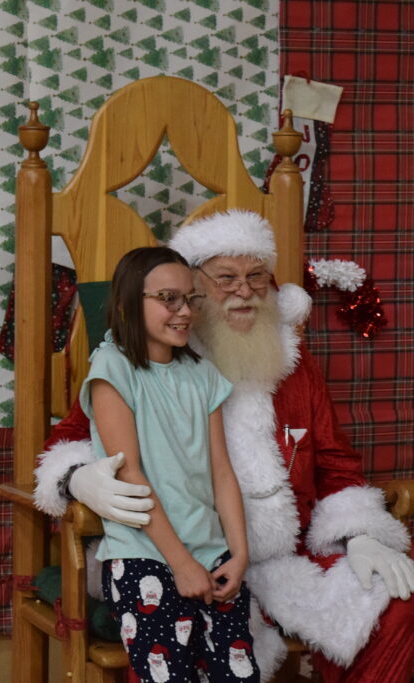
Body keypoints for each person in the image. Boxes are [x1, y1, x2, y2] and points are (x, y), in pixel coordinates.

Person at [34, 210, 414, 682]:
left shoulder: (292, 365)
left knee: (397, 602)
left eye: (256, 276)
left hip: (284, 556)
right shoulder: (144, 360)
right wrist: (78, 477)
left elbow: (335, 461)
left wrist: (360, 533)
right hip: (177, 548)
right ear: (195, 285)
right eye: (226, 278)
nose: (244, 291)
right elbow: (69, 440)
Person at [79, 246, 257, 682]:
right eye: (168, 299)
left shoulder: (203, 375)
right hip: (148, 557)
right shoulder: (112, 368)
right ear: (129, 302)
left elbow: (221, 472)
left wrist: (239, 554)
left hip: (213, 555)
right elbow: (129, 474)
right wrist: (181, 563)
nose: (184, 312)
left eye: (190, 299)